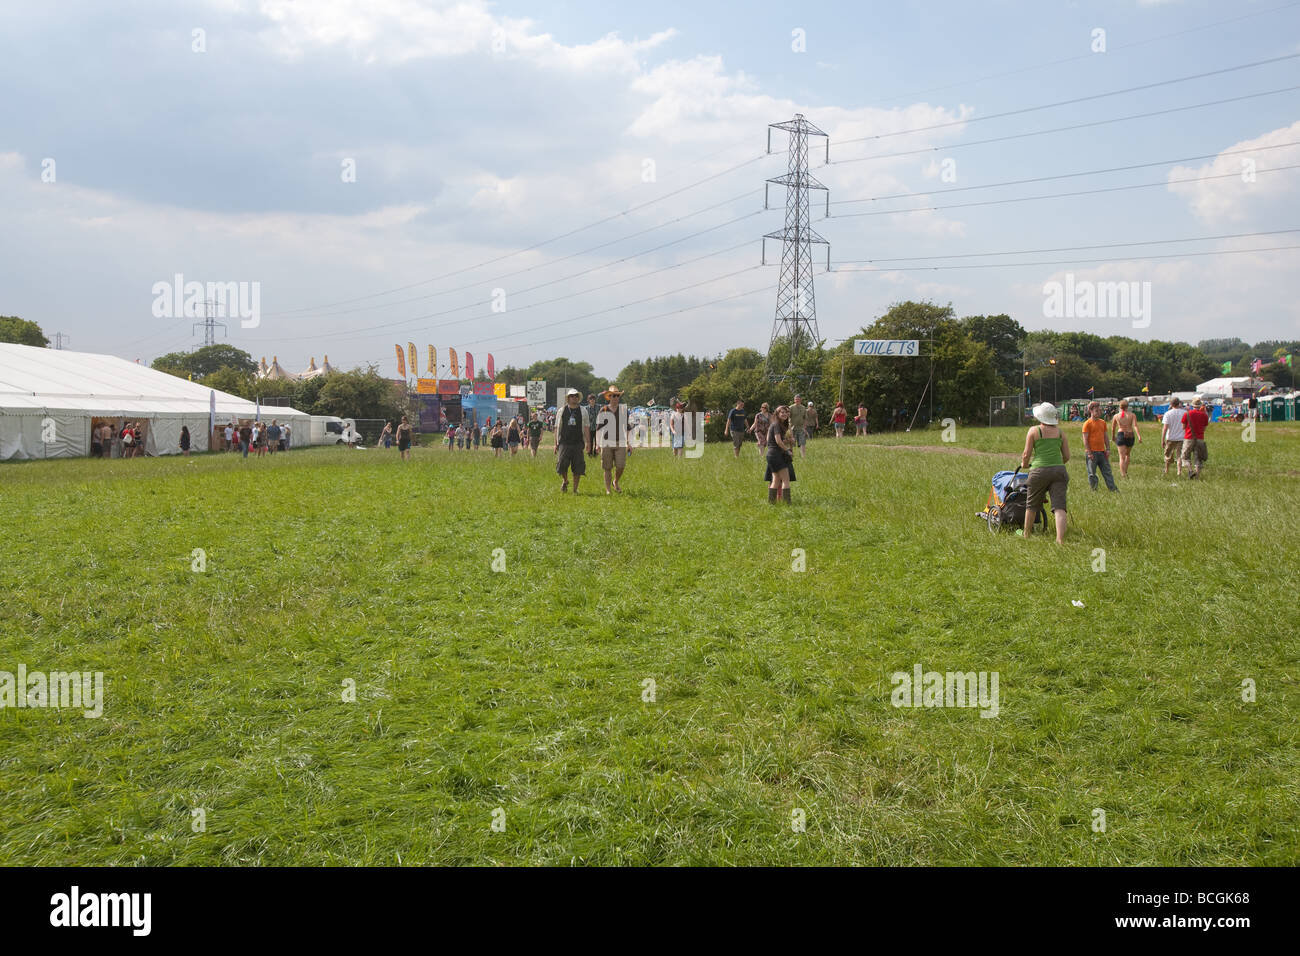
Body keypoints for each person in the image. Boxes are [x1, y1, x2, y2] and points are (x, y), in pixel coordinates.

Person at [1020, 402, 1070, 544]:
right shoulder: (1061, 433)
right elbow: (1066, 456)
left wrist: (1024, 464)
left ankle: (1026, 534)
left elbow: (1026, 454)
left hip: (1039, 471)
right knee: (1060, 507)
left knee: (1032, 504)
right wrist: (1056, 464)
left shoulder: (1034, 431)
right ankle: (1060, 540)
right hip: (1059, 470)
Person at [595, 386, 633, 493]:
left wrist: (629, 443)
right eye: (613, 396)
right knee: (607, 467)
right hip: (606, 442)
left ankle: (615, 481)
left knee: (621, 466)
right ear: (609, 397)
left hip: (620, 441)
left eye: (617, 395)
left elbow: (627, 427)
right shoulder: (604, 410)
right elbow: (598, 429)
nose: (616, 397)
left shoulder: (623, 410)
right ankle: (608, 490)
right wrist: (597, 444)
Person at [555, 389, 589, 492]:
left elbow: (587, 427)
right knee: (562, 464)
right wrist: (555, 443)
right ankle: (565, 481)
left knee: (578, 466)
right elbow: (557, 427)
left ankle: (575, 489)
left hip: (578, 443)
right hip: (564, 442)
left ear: (578, 398)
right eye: (572, 396)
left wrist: (589, 442)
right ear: (568, 398)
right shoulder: (562, 410)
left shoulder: (583, 411)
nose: (574, 397)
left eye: (576, 396)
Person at [1081, 401, 1117, 492]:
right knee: (1092, 473)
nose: (1099, 412)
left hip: (1102, 452)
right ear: (1091, 411)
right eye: (1096, 411)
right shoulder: (1087, 424)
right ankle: (1094, 490)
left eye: (1100, 410)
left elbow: (1105, 436)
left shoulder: (1103, 422)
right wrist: (1089, 452)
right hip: (1092, 453)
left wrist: (1108, 449)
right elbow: (1085, 439)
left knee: (1107, 472)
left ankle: (1113, 489)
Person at [765, 405, 796, 503]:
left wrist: (790, 441)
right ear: (777, 414)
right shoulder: (776, 425)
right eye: (782, 412)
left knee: (776, 480)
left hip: (772, 455)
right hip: (776, 455)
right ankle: (787, 504)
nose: (785, 414)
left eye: (786, 412)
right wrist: (787, 450)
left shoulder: (783, 425)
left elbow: (781, 441)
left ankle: (771, 503)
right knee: (786, 480)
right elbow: (778, 441)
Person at [1180, 397, 1210, 479]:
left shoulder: (1187, 414)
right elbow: (1204, 428)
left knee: (1185, 457)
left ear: (1192, 405)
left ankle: (1190, 470)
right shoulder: (1204, 415)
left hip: (1189, 437)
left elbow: (1183, 426)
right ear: (1200, 405)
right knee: (1198, 458)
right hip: (1200, 438)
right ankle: (1197, 476)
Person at [1110, 400, 1141, 478]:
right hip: (1130, 435)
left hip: (1121, 434)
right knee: (1127, 455)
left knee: (1121, 456)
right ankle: (1125, 471)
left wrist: (1113, 437)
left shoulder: (1116, 416)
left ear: (1120, 407)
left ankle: (1123, 474)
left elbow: (1113, 428)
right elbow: (1135, 426)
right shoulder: (1132, 415)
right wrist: (1139, 436)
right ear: (1127, 406)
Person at [1160, 397, 1186, 476]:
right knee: (1179, 456)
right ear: (1179, 403)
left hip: (1170, 437)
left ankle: (1167, 470)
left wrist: (1162, 440)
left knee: (1168, 455)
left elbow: (1165, 428)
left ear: (1171, 404)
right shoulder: (1184, 413)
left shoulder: (1168, 413)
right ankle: (1179, 471)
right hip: (1181, 437)